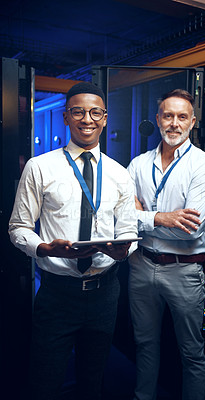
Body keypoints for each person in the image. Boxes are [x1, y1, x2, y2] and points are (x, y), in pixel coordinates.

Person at [9, 82, 138, 400]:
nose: (87, 119)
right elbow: (18, 227)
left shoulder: (120, 174)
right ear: (66, 117)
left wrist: (123, 248)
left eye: (95, 112)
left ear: (105, 118)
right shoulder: (40, 167)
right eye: (78, 111)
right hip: (57, 295)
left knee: (92, 381)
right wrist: (43, 247)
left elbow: (128, 229)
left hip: (105, 293)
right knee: (44, 380)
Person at [127, 88, 205, 400]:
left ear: (193, 122)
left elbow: (190, 231)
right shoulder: (138, 165)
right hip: (141, 266)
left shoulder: (203, 166)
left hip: (184, 272)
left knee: (191, 353)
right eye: (168, 115)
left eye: (182, 117)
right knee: (144, 344)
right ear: (158, 120)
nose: (174, 123)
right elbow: (120, 218)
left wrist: (144, 217)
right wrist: (163, 218)